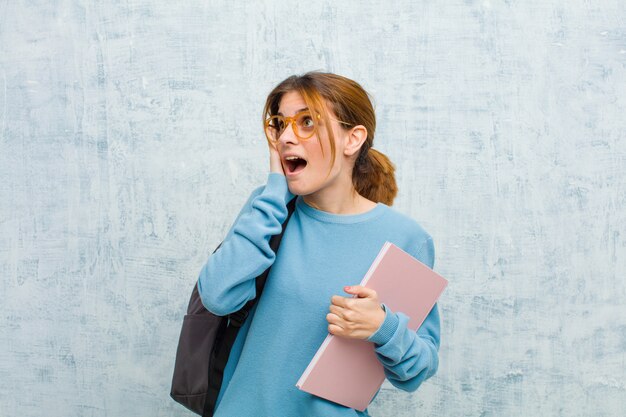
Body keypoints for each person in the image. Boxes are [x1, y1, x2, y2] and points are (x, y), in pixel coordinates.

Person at [197, 71, 440, 417]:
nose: (286, 138)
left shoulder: (406, 240)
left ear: (352, 139)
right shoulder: (267, 210)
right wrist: (274, 194)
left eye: (307, 122)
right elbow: (217, 296)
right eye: (280, 124)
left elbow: (417, 370)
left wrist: (382, 328)